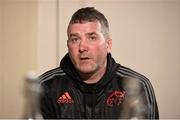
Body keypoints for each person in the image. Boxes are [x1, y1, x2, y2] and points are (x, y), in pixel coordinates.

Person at [39, 7, 159, 119]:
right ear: (68, 45)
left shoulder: (137, 86)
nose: (82, 47)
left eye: (92, 38)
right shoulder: (45, 86)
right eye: (75, 39)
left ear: (108, 45)